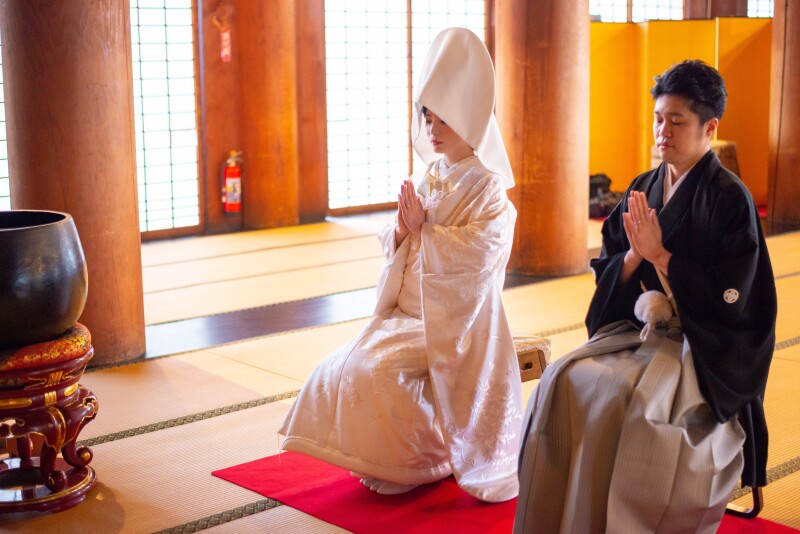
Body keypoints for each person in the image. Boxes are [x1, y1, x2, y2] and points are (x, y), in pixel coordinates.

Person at [514, 60, 777, 533]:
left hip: (704, 344)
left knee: (632, 402)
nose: (662, 131)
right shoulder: (643, 187)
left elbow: (736, 297)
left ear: (710, 127)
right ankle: (573, 509)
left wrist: (663, 257)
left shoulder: (729, 198)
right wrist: (636, 257)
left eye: (676, 120)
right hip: (639, 329)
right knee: (563, 377)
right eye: (658, 118)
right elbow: (611, 263)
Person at [278, 28, 522, 503]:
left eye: (444, 119)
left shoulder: (488, 187)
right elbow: (398, 242)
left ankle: (425, 460)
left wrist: (425, 231)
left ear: (470, 116)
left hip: (454, 323)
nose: (432, 129)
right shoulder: (428, 175)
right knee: (343, 363)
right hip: (406, 313)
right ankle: (385, 458)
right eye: (427, 116)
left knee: (380, 372)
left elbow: (483, 255)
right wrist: (402, 231)